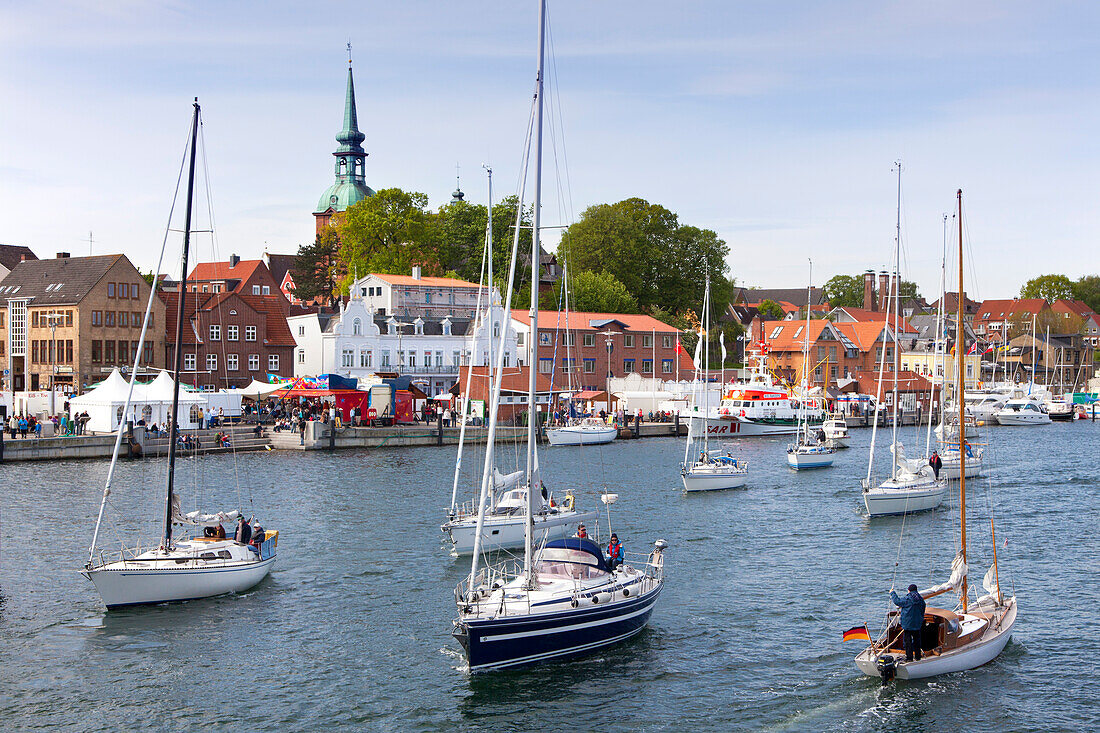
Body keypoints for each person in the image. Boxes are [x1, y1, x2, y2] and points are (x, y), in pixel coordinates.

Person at [890, 584, 927, 662]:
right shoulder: (921, 600)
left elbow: (897, 601)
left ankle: (909, 658)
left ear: (909, 590)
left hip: (908, 624)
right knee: (917, 640)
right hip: (917, 624)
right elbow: (922, 610)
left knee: (908, 641)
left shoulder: (908, 599)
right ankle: (918, 656)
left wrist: (892, 593)